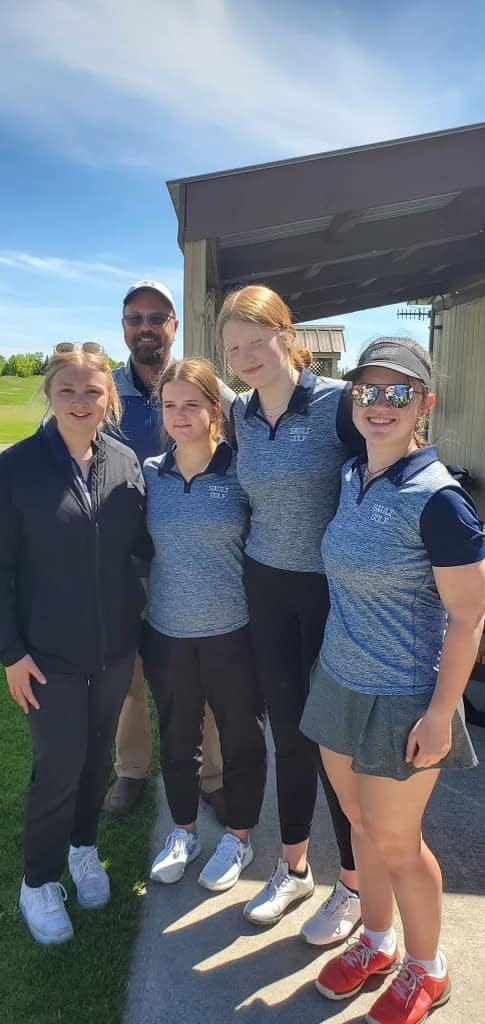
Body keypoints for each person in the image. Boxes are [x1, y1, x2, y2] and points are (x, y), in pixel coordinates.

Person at [301, 338, 485, 1024]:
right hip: (338, 682)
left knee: (398, 844)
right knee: (357, 826)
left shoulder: (440, 502)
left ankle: (426, 968)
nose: (379, 405)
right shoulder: (352, 476)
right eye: (367, 391)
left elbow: (469, 618)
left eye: (397, 393)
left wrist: (441, 715)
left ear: (423, 405)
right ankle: (376, 942)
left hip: (403, 699)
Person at [217, 284, 363, 943]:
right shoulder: (241, 415)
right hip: (265, 588)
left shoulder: (336, 406)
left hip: (331, 593)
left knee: (335, 738)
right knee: (288, 732)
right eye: (233, 348)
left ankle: (355, 885)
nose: (247, 356)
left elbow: (384, 484)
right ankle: (295, 866)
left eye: (257, 340)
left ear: (287, 332)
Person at [0, 344, 149, 944]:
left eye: (93, 391)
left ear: (108, 397)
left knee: (95, 763)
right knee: (58, 766)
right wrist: (11, 652)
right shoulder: (16, 468)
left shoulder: (123, 459)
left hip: (114, 649)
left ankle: (83, 849)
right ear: (49, 394)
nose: (81, 402)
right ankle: (37, 881)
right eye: (68, 390)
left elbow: (141, 544)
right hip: (45, 655)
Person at [104, 280, 232, 819]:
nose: (146, 327)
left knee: (200, 682)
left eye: (157, 317)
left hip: (194, 562)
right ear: (125, 328)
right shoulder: (104, 391)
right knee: (128, 679)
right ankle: (131, 771)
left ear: (174, 325)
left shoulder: (210, 391)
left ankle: (215, 777)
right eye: (135, 319)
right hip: (121, 564)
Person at [141, 358, 266, 892]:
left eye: (192, 403)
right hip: (167, 633)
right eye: (170, 405)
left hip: (232, 632)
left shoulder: (243, 470)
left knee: (240, 737)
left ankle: (239, 836)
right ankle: (184, 831)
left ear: (217, 409)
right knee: (177, 737)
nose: (180, 415)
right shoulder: (151, 473)